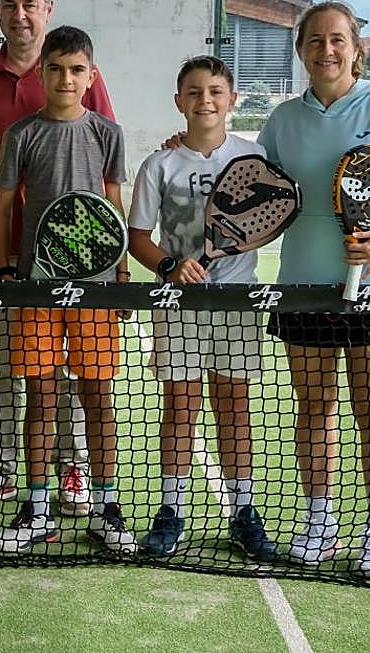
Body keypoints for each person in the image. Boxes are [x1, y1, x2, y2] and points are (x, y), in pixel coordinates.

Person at [257, 0, 370, 580]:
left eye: (338, 40)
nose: (327, 50)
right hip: (302, 286)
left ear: (355, 48)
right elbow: (258, 193)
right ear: (302, 50)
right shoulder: (282, 121)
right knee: (313, 409)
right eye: (315, 41)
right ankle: (319, 521)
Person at [0, 0, 117, 517]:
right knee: (2, 364)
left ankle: (70, 466)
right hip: (4, 257)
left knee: (66, 375)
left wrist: (113, 269)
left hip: (76, 263)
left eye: (29, 5)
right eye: (8, 5)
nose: (18, 15)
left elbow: (106, 173)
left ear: (48, 8)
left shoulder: (88, 82)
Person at [0, 26, 134, 554]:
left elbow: (114, 209)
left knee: (97, 398)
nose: (66, 79)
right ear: (41, 74)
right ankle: (38, 508)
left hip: (95, 294)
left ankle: (105, 507)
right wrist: (4, 267)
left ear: (90, 77)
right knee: (41, 397)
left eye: (76, 70)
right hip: (36, 289)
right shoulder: (20, 134)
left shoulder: (108, 134)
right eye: (56, 69)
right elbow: (5, 208)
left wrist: (118, 280)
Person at [127, 56, 277, 561]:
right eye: (193, 92)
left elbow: (274, 208)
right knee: (180, 407)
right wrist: (170, 265)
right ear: (179, 102)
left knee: (235, 407)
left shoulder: (254, 156)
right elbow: (138, 238)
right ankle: (171, 510)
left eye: (215, 91)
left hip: (237, 303)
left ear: (232, 100)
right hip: (179, 307)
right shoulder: (160, 164)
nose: (205, 100)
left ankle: (242, 511)